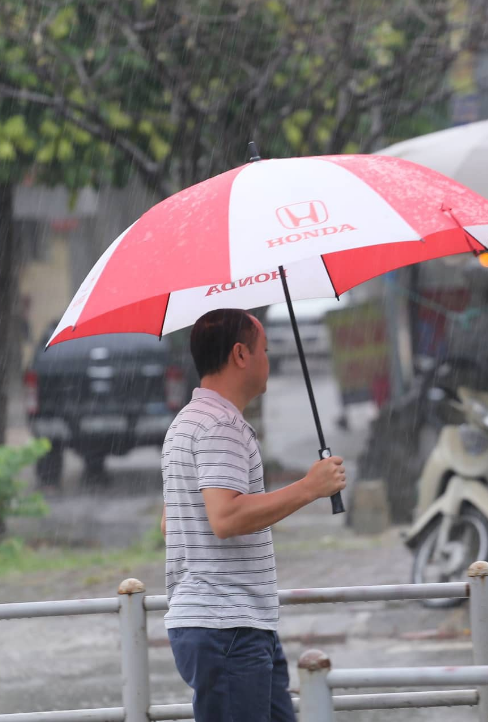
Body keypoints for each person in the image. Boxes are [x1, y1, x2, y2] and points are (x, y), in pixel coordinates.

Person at [160, 308, 346, 722]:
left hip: (232, 624)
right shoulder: (220, 425)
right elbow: (224, 518)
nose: (268, 358)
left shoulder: (186, 423)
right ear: (241, 354)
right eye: (264, 349)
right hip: (227, 627)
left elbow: (170, 521)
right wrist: (309, 488)